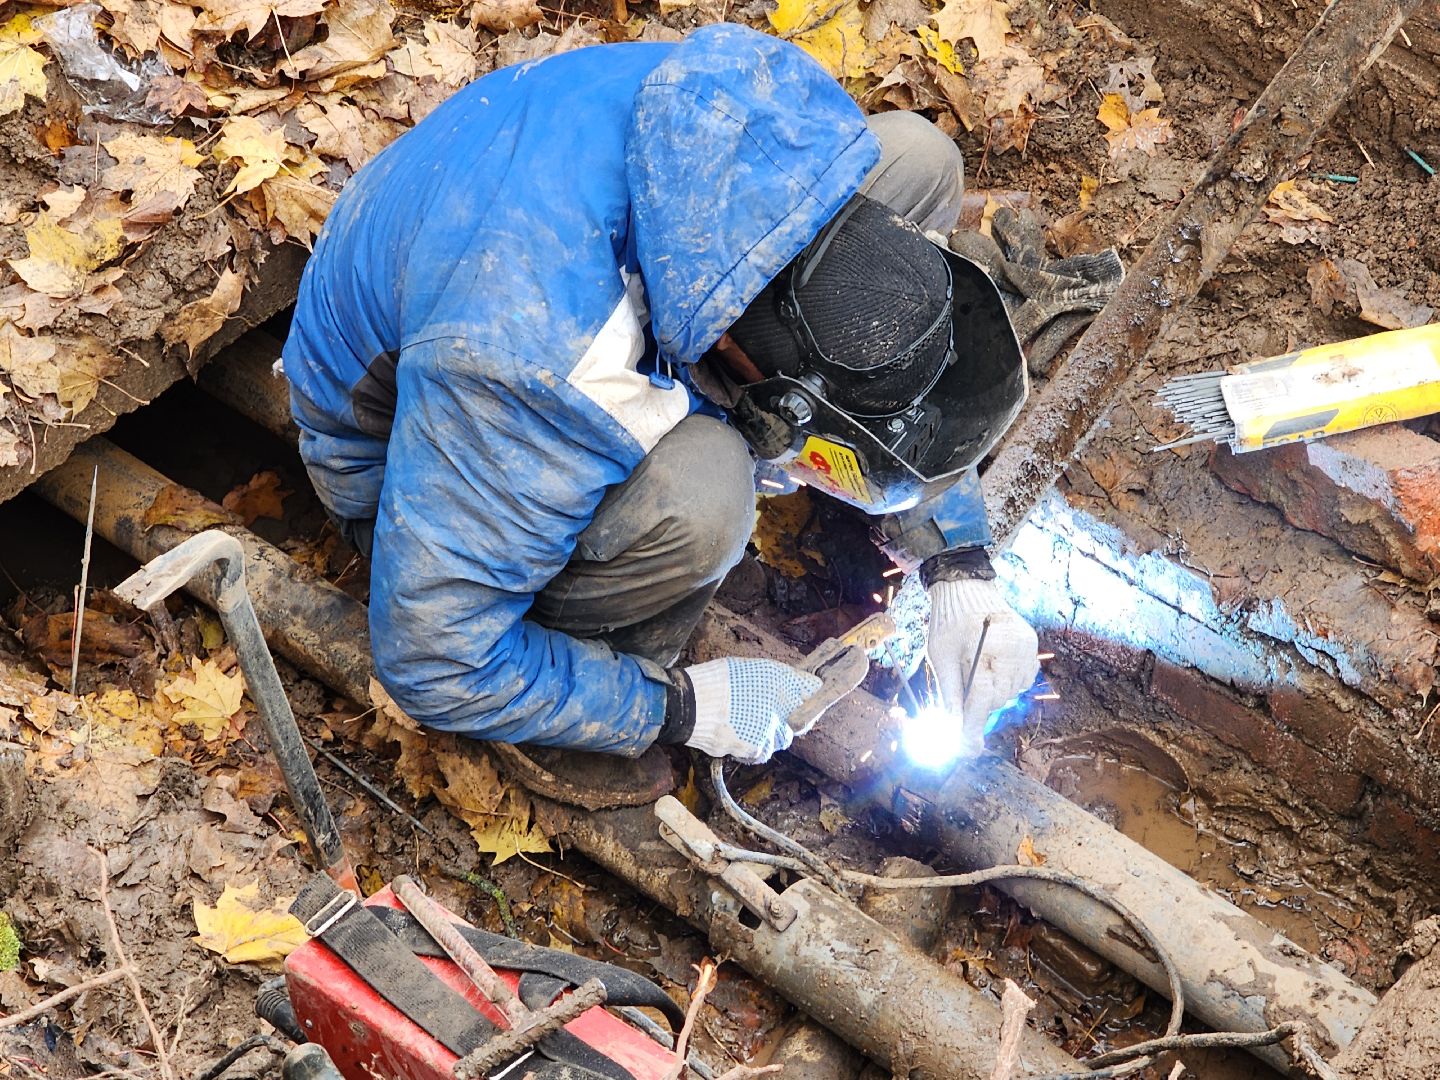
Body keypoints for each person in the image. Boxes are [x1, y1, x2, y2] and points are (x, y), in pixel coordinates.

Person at [282, 22, 1039, 767]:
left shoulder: (764, 108)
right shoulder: (530, 370)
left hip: (512, 227)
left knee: (918, 158)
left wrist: (959, 563)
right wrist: (677, 708)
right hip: (425, 442)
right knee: (708, 491)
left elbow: (879, 340)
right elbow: (433, 661)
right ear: (773, 395)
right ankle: (598, 659)